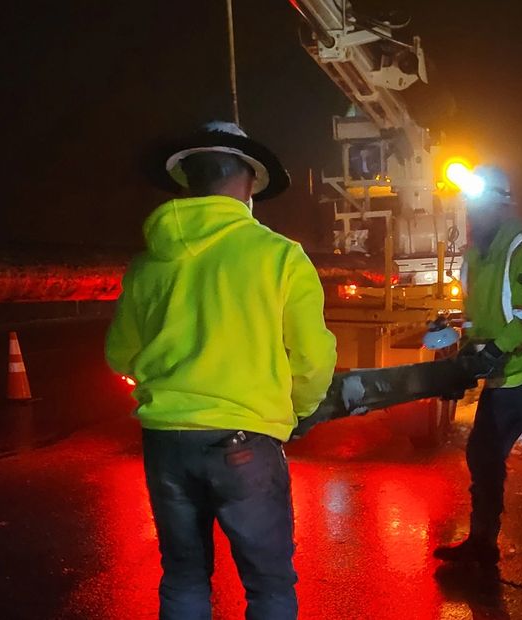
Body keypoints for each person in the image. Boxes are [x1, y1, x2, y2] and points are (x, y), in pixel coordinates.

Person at [106, 121, 337, 619]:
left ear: (189, 182)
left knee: (184, 576)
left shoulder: (148, 264)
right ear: (249, 184)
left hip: (166, 441)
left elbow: (119, 354)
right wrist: (297, 411)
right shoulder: (280, 257)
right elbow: (313, 357)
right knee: (269, 586)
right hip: (245, 442)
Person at [434, 165, 522, 573]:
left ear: (501, 207)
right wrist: (466, 354)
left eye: (481, 206)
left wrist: (494, 351)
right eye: (470, 206)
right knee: (483, 455)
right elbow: (478, 320)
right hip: (505, 375)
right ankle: (482, 542)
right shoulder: (474, 259)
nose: (473, 214)